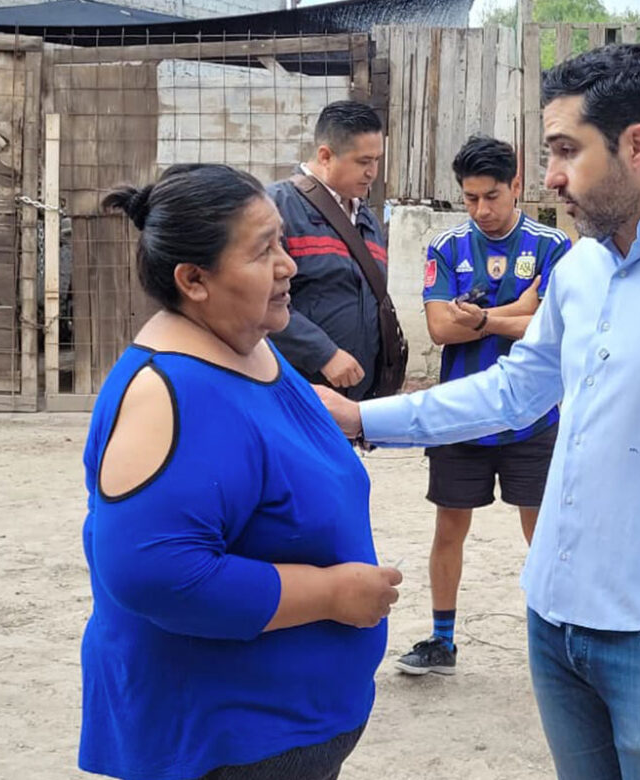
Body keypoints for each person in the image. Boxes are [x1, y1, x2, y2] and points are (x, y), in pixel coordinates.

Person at [316, 44, 640, 779]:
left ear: (638, 146)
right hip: (555, 619)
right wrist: (366, 420)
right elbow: (515, 391)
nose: (549, 176)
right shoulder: (582, 269)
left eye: (564, 150)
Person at [80, 163, 402, 780]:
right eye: (264, 252)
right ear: (194, 280)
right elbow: (154, 573)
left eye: (281, 241)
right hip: (224, 740)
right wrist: (333, 594)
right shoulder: (170, 393)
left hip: (283, 726)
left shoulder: (247, 342)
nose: (289, 266)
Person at [395, 135, 571, 676]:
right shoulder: (446, 247)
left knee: (542, 533)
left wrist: (486, 319)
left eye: (492, 196)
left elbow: (556, 329)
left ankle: (560, 646)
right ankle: (442, 641)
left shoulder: (553, 247)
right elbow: (440, 329)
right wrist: (517, 313)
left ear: (517, 186)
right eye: (470, 198)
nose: (481, 210)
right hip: (461, 416)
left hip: (533, 416)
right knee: (450, 527)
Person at [267, 100, 396, 400]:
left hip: (351, 403)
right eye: (363, 161)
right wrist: (322, 353)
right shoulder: (276, 208)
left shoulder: (367, 219)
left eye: (377, 160)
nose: (373, 173)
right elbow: (257, 301)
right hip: (295, 392)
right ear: (325, 155)